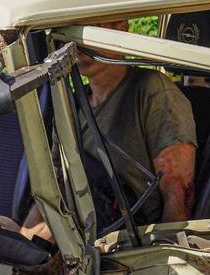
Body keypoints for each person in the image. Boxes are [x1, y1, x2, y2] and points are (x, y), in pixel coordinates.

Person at [23, 19, 196, 239]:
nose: (76, 45)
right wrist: (23, 243)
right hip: (76, 231)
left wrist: (163, 258)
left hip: (127, 238)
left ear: (121, 29)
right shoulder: (70, 106)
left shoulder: (153, 92)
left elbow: (178, 191)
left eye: (89, 30)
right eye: (70, 33)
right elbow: (54, 192)